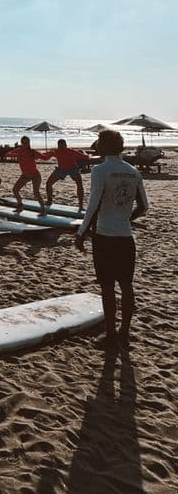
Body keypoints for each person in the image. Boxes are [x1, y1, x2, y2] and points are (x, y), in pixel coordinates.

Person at [75, 129, 148, 349]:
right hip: (125, 237)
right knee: (126, 285)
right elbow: (144, 206)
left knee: (107, 287)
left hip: (105, 237)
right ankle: (124, 333)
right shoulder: (133, 171)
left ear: (105, 146)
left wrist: (81, 233)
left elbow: (94, 204)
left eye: (99, 142)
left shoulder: (100, 170)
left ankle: (110, 335)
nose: (96, 145)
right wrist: (125, 218)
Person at [44, 139, 91, 210]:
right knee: (48, 183)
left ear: (66, 145)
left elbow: (85, 157)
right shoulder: (56, 151)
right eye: (60, 146)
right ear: (58, 146)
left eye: (63, 146)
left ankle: (81, 206)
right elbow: (45, 156)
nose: (61, 148)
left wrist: (87, 155)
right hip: (61, 169)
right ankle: (49, 201)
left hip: (73, 169)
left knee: (79, 185)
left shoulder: (71, 151)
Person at [5, 136, 47, 213]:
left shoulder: (32, 151)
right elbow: (7, 154)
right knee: (15, 190)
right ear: (21, 143)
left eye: (26, 142)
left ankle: (43, 210)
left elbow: (44, 158)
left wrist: (52, 153)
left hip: (35, 175)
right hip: (25, 175)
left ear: (29, 143)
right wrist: (18, 155)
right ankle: (20, 206)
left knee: (36, 192)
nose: (25, 144)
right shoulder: (19, 150)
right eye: (23, 142)